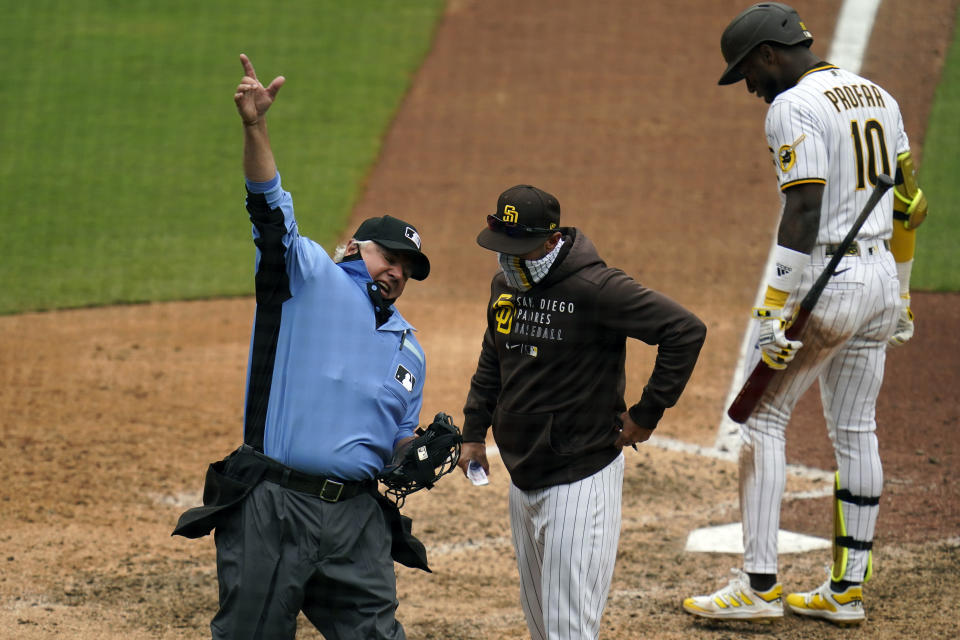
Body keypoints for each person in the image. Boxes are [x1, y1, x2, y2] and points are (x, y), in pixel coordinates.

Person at [172, 54, 434, 640]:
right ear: (353, 247)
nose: (395, 272)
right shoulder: (305, 276)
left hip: (358, 522)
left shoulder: (409, 349)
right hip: (275, 508)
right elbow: (267, 203)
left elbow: (396, 438)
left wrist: (414, 452)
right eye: (387, 256)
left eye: (407, 268)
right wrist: (255, 127)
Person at [683, 2, 927, 627]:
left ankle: (758, 586)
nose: (750, 88)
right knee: (855, 428)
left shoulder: (791, 106)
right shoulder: (878, 93)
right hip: (875, 281)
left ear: (769, 54)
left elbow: (803, 212)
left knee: (762, 419)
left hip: (829, 284)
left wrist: (773, 306)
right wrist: (900, 290)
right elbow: (908, 201)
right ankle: (846, 591)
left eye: (747, 73)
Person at [459, 184, 706, 639]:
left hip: (580, 475)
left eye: (520, 249)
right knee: (540, 626)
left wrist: (647, 414)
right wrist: (474, 430)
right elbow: (493, 357)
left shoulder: (597, 289)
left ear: (551, 241)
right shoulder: (505, 285)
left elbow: (684, 330)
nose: (509, 260)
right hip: (522, 471)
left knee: (568, 630)